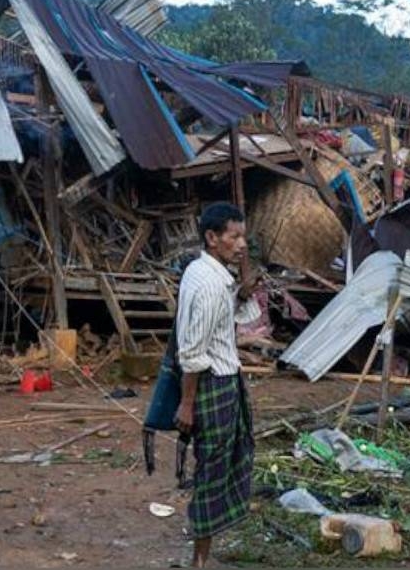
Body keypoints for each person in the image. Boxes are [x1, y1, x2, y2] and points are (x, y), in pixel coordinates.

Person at [173, 202, 261, 568]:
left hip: (219, 381)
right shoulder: (210, 285)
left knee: (214, 465)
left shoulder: (202, 271)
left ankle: (200, 557)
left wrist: (241, 292)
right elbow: (193, 351)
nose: (241, 244)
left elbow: (222, 318)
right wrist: (187, 403)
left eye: (243, 236)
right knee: (212, 471)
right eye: (233, 236)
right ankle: (200, 562)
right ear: (212, 238)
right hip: (215, 385)